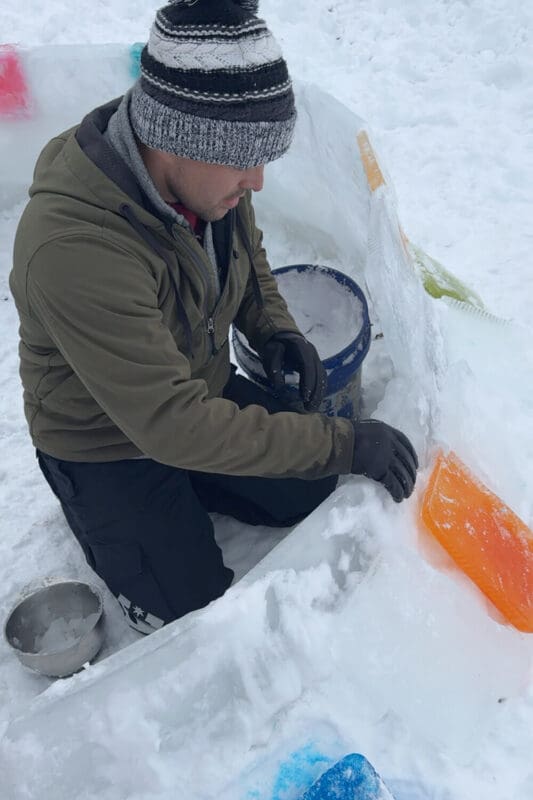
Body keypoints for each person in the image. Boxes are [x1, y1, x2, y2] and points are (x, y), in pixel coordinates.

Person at [9, 0, 418, 634]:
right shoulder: (75, 249)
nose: (257, 180)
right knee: (191, 620)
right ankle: (103, 514)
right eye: (243, 159)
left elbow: (244, 255)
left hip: (190, 389)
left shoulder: (202, 182)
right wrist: (341, 442)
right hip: (103, 444)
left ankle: (190, 484)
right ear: (178, 141)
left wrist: (271, 326)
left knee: (313, 492)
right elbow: (173, 424)